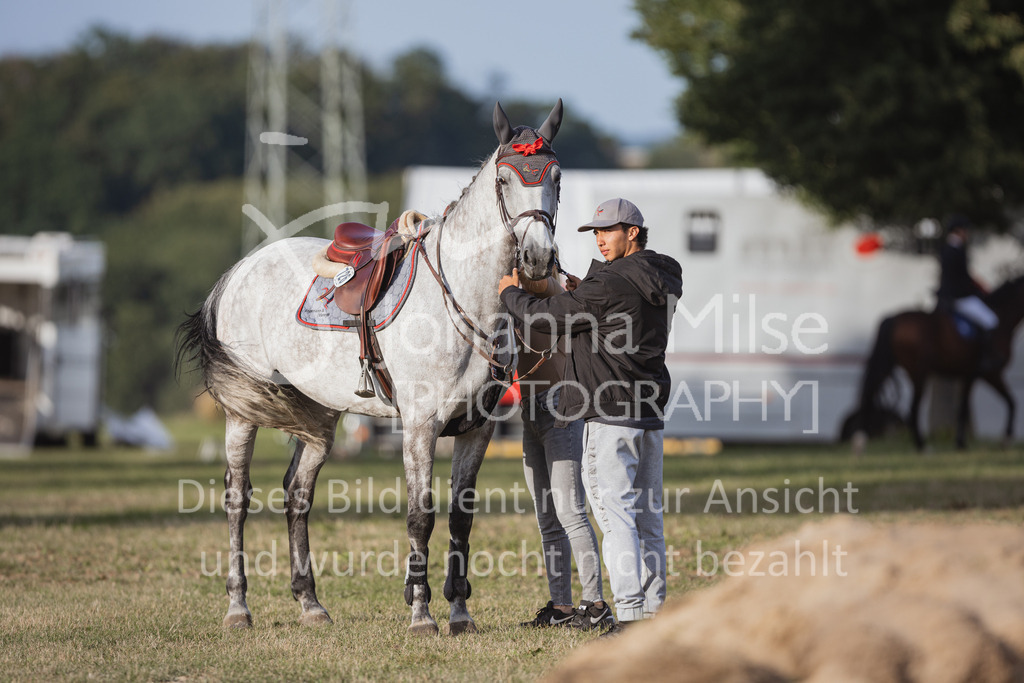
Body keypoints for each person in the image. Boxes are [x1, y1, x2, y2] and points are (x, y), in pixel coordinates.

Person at [499, 198, 683, 637]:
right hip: (649, 415)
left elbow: (545, 316)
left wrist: (510, 292)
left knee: (614, 515)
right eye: (595, 232)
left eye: (608, 230)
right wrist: (588, 294)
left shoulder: (609, 285)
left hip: (609, 415)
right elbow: (612, 313)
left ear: (633, 232)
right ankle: (653, 611)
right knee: (648, 518)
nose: (599, 239)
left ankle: (631, 614)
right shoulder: (661, 279)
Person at [514, 271, 610, 631]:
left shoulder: (545, 285)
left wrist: (516, 280)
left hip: (559, 408)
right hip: (529, 411)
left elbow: (540, 285)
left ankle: (596, 604)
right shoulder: (506, 289)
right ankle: (563, 607)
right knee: (548, 520)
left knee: (570, 513)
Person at [936, 215, 1000, 371]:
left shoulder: (945, 248)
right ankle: (984, 358)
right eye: (965, 230)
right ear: (958, 231)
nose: (967, 234)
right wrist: (977, 291)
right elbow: (962, 277)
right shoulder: (958, 250)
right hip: (959, 297)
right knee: (991, 320)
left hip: (945, 295)